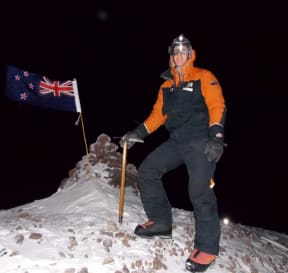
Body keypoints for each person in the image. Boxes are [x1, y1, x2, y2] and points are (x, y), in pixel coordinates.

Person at [120, 34, 226, 273]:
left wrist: (216, 136)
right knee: (148, 170)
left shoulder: (203, 76)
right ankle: (160, 222)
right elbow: (158, 115)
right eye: (175, 52)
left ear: (190, 54)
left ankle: (207, 247)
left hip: (201, 142)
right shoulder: (166, 86)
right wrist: (137, 132)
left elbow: (217, 105)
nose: (179, 56)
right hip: (177, 141)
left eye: (183, 51)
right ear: (171, 56)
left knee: (198, 191)